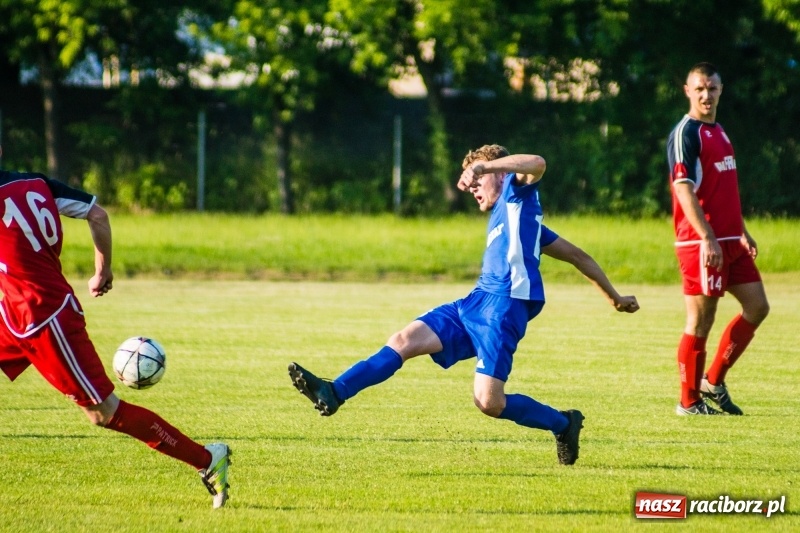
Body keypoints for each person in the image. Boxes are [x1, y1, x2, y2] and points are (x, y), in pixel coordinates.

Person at [288, 144, 639, 465]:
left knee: (489, 402)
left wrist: (484, 166)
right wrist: (616, 298)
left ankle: (563, 423)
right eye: (471, 179)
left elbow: (539, 163)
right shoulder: (513, 220)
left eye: (478, 179)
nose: (472, 186)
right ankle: (334, 392)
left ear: (500, 173)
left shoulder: (518, 196)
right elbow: (577, 255)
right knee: (403, 340)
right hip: (473, 304)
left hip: (503, 310)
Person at [0, 146, 231, 508]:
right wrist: (102, 270)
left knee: (104, 412)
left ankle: (207, 458)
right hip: (15, 314)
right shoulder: (36, 182)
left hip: (45, 320)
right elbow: (97, 214)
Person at [666, 62, 770, 416]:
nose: (705, 95)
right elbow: (683, 190)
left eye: (711, 88)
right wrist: (707, 237)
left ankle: (713, 381)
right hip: (701, 243)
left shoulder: (720, 131)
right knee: (700, 320)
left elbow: (723, 188)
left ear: (720, 90)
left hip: (730, 240)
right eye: (699, 89)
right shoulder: (686, 133)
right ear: (687, 91)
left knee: (757, 307)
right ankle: (688, 401)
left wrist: (741, 230)